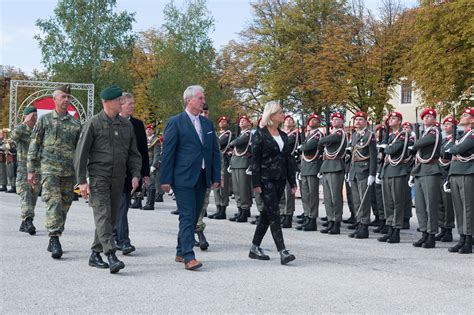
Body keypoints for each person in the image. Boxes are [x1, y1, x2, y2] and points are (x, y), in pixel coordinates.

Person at [74, 85, 142, 273]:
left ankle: (95, 254)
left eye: (122, 100)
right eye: (118, 100)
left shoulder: (126, 125)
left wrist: (136, 174)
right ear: (106, 102)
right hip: (99, 177)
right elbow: (81, 154)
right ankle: (111, 254)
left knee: (110, 217)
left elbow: (133, 153)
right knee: (103, 214)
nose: (121, 103)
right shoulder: (94, 123)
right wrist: (81, 181)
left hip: (119, 178)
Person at [160, 85, 220, 271]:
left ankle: (180, 250)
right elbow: (168, 152)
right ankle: (188, 256)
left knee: (194, 216)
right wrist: (165, 179)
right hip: (183, 177)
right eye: (200, 98)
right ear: (189, 100)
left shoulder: (207, 124)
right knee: (187, 216)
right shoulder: (175, 122)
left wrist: (216, 175)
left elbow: (214, 152)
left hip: (202, 176)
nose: (203, 101)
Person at [27, 85, 82, 259]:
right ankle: (54, 238)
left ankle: (57, 232)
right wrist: (31, 170)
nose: (66, 100)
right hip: (49, 169)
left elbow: (80, 150)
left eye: (68, 97)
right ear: (55, 99)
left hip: (68, 172)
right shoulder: (44, 120)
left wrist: (82, 173)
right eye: (63, 97)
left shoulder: (75, 124)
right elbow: (34, 145)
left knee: (65, 205)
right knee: (54, 202)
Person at [248, 101, 296, 265]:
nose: (283, 115)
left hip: (280, 179)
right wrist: (256, 183)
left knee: (266, 215)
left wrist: (292, 181)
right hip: (265, 179)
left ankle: (254, 248)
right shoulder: (259, 134)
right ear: (272, 115)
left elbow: (289, 159)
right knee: (274, 213)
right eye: (280, 113)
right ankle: (282, 251)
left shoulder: (283, 135)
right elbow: (254, 160)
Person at [114, 92, 150, 254]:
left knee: (123, 206)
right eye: (130, 104)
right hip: (115, 172)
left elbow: (143, 150)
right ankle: (123, 240)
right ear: (121, 105)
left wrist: (145, 173)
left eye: (134, 103)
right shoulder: (112, 121)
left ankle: (115, 235)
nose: (133, 106)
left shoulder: (137, 124)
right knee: (121, 206)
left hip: (132, 173)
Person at [377, 112, 414, 243]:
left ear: (399, 121)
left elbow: (392, 150)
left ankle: (396, 230)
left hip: (398, 170)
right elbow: (381, 152)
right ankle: (390, 228)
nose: (390, 120)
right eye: (389, 118)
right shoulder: (391, 135)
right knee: (388, 202)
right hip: (387, 170)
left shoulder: (403, 135)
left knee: (397, 202)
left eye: (393, 118)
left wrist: (385, 148)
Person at [410, 108, 442, 248]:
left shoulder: (433, 132)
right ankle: (424, 232)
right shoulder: (423, 133)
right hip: (420, 170)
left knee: (430, 205)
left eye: (430, 116)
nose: (427, 118)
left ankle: (431, 234)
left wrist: (415, 144)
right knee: (420, 205)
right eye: (425, 117)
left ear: (434, 119)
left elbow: (418, 145)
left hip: (430, 169)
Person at [446, 107, 473, 254]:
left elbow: (456, 149)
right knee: (459, 208)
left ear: (472, 120)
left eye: (465, 115)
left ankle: (468, 240)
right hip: (456, 172)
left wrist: (454, 150)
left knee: (467, 208)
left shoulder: (472, 134)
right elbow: (449, 149)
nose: (462, 117)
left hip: (467, 172)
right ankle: (462, 238)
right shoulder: (462, 135)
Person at [347, 111, 377, 239]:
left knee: (364, 201)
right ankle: (359, 224)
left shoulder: (370, 135)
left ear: (365, 121)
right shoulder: (354, 135)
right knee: (356, 201)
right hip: (354, 171)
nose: (357, 122)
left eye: (360, 119)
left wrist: (372, 174)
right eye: (356, 119)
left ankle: (364, 227)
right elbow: (352, 156)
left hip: (364, 171)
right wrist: (349, 173)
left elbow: (373, 156)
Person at [10, 106, 39, 235]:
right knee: (25, 194)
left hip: (36, 168)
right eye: (32, 115)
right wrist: (24, 122)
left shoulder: (38, 130)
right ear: (26, 116)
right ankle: (28, 220)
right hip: (23, 168)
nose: (34, 117)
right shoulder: (21, 128)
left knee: (33, 196)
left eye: (36, 115)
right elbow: (12, 138)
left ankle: (25, 223)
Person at [319, 112, 348, 235]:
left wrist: (323, 139)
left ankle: (336, 223)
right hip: (327, 166)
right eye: (333, 119)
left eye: (337, 119)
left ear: (342, 122)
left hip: (335, 166)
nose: (335, 121)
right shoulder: (333, 133)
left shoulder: (339, 133)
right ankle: (330, 220)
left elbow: (323, 141)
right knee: (328, 198)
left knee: (335, 197)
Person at [296, 114, 323, 231]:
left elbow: (308, 147)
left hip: (312, 166)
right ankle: (307, 217)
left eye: (316, 120)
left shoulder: (318, 134)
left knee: (312, 195)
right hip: (305, 166)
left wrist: (302, 147)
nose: (313, 122)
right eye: (311, 120)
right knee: (305, 194)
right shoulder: (309, 135)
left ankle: (312, 220)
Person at [229, 115, 254, 222]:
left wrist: (233, 143)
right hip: (236, 163)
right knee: (236, 189)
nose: (242, 122)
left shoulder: (248, 134)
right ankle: (240, 209)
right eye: (241, 121)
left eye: (245, 121)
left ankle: (244, 209)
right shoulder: (241, 134)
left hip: (243, 162)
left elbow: (235, 143)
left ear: (249, 124)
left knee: (243, 189)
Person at [208, 115, 233, 220]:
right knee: (216, 187)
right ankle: (218, 208)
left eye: (225, 121)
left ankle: (223, 210)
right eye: (221, 121)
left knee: (223, 187)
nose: (222, 123)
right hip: (216, 161)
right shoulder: (218, 134)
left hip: (224, 162)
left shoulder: (228, 134)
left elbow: (219, 143)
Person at [436, 115, 456, 242]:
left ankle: (448, 230)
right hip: (440, 173)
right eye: (445, 124)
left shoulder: (455, 140)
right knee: (440, 203)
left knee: (448, 204)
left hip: (448, 173)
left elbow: (448, 155)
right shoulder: (444, 140)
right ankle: (442, 227)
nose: (445, 126)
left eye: (448, 124)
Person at [279, 114, 299, 228]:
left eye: (291, 120)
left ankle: (288, 215)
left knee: (288, 191)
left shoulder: (294, 134)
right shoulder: (280, 133)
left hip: (288, 164)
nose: (289, 121)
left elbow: (284, 144)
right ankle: (282, 213)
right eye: (287, 119)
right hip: (278, 164)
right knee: (281, 191)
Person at [143, 123, 162, 210]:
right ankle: (146, 202)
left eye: (150, 129)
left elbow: (156, 154)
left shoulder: (156, 140)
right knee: (146, 184)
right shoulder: (145, 139)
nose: (148, 131)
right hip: (145, 163)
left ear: (152, 130)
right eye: (147, 129)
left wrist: (154, 165)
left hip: (151, 164)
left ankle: (150, 203)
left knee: (151, 184)